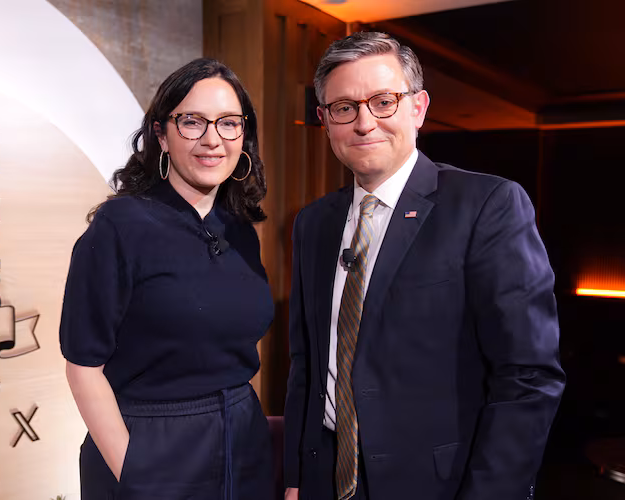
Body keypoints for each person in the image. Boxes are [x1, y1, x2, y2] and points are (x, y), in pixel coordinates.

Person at [283, 32, 565, 500]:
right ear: (325, 121)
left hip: (438, 486)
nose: (364, 122)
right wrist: (295, 477)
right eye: (344, 108)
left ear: (418, 107)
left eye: (383, 101)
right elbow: (306, 364)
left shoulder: (486, 206)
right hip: (324, 478)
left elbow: (529, 377)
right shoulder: (313, 223)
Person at [59, 58, 274, 500]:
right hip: (149, 447)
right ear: (161, 134)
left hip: (243, 444)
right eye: (192, 122)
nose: (212, 139)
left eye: (229, 123)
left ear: (243, 136)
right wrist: (136, 474)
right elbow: (83, 366)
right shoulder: (120, 224)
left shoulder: (239, 229)